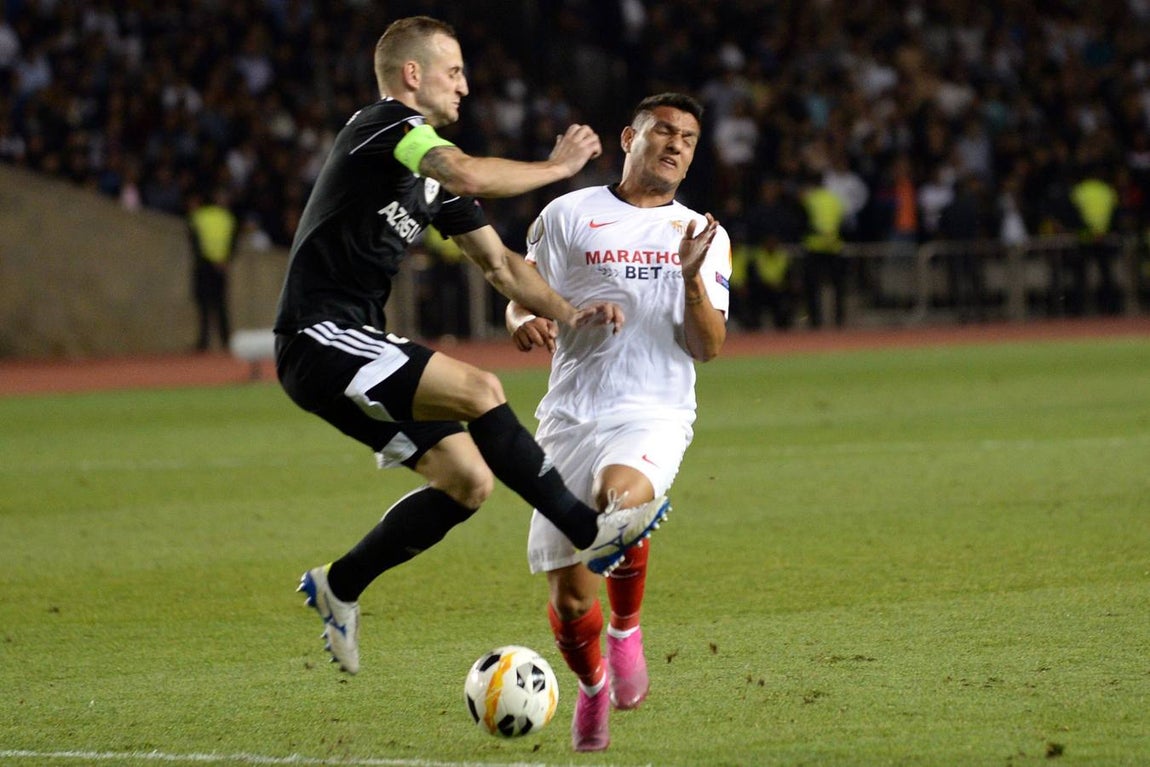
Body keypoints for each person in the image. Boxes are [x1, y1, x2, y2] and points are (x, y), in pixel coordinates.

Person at [273, 16, 669, 677]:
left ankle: (339, 583)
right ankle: (586, 530)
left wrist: (571, 312)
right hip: (319, 334)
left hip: (353, 341)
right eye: (453, 71)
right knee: (483, 390)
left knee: (467, 481)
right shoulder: (385, 126)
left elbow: (504, 268)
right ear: (412, 75)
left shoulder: (429, 178)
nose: (465, 85)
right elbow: (468, 172)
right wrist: (560, 166)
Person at [505, 92, 730, 752]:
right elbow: (522, 293)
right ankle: (594, 684)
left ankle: (627, 628)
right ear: (629, 136)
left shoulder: (702, 235)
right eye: (663, 130)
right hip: (572, 415)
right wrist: (527, 321)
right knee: (572, 598)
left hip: (654, 408)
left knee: (620, 493)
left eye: (688, 137)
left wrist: (691, 280)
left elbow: (709, 346)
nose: (676, 143)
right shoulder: (569, 214)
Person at [187, 187, 240, 352]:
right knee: (220, 304)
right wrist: (225, 260)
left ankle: (204, 342)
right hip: (220, 266)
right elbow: (233, 242)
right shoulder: (228, 218)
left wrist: (209, 260)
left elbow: (195, 243)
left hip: (204, 266)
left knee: (204, 305)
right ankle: (225, 341)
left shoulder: (198, 217)